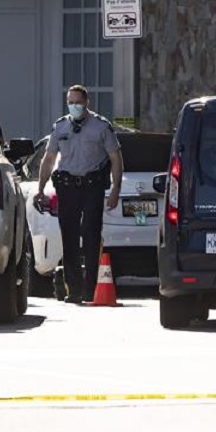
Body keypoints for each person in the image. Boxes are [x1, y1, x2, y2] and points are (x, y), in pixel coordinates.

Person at [33, 85, 123, 303]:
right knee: (69, 237)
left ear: (86, 103)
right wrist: (41, 187)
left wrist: (115, 191)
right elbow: (49, 159)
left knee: (91, 234)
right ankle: (73, 289)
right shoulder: (60, 127)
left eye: (78, 102)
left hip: (92, 186)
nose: (74, 106)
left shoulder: (101, 127)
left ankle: (90, 287)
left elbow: (115, 158)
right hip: (67, 187)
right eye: (70, 102)